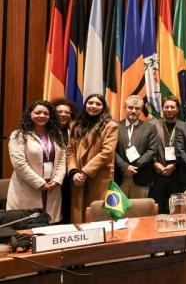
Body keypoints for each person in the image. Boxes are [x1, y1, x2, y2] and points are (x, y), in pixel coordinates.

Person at [7, 101, 66, 222]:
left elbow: (62, 160)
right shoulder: (18, 135)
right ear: (30, 114)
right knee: (28, 227)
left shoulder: (56, 135)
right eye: (38, 112)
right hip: (28, 187)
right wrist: (39, 183)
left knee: (49, 225)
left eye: (46, 113)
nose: (42, 116)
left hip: (52, 187)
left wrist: (57, 180)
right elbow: (19, 164)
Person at [67, 94, 119, 223]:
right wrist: (73, 172)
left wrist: (85, 172)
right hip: (77, 178)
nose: (93, 106)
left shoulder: (110, 125)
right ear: (85, 105)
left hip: (99, 176)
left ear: (103, 107)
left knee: (98, 216)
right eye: (90, 103)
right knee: (79, 218)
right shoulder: (75, 125)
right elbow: (70, 151)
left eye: (98, 104)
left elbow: (107, 152)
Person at [114, 96, 158, 199]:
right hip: (120, 176)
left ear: (141, 110)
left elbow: (152, 150)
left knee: (140, 212)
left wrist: (135, 166)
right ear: (125, 107)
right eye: (130, 107)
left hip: (141, 176)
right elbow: (111, 150)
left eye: (137, 108)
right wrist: (124, 166)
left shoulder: (150, 127)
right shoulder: (115, 126)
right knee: (119, 213)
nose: (133, 111)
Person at [151, 97, 184, 213]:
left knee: (175, 209)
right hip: (157, 173)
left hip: (177, 174)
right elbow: (148, 147)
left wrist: (174, 165)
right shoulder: (152, 125)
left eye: (172, 107)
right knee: (158, 208)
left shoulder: (184, 126)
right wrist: (154, 163)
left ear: (177, 109)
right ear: (162, 108)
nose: (169, 109)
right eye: (166, 107)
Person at [51, 97, 76, 222]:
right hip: (52, 176)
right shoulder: (47, 130)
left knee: (67, 205)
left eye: (67, 112)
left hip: (69, 176)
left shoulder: (73, 130)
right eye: (60, 112)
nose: (63, 114)